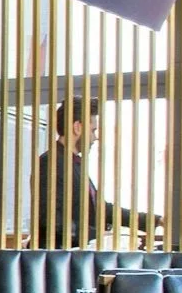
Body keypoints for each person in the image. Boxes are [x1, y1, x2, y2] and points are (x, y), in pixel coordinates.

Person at [32, 98, 160, 246]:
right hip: (62, 261)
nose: (95, 137)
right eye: (93, 130)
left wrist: (155, 220)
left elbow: (101, 209)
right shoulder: (51, 163)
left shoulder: (73, 164)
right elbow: (51, 220)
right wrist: (98, 235)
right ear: (78, 127)